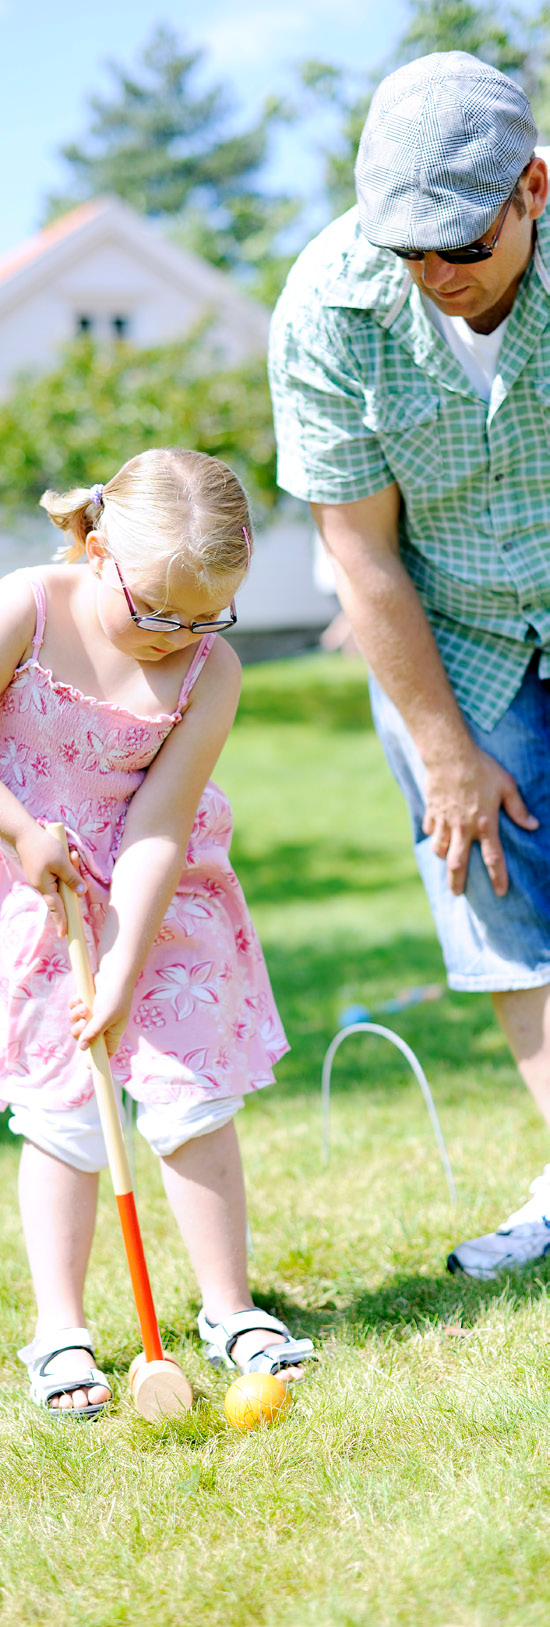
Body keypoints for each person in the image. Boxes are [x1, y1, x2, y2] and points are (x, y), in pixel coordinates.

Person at [269, 50, 550, 1280]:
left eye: (461, 245)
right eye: (408, 250)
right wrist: (444, 750)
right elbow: (359, 555)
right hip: (453, 633)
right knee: (504, 906)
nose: (436, 276)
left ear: (531, 187)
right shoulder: (328, 306)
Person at [1, 446, 314, 1416]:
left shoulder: (207, 671)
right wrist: (18, 829)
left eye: (204, 615)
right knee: (62, 1105)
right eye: (158, 611)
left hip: (163, 896)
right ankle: (61, 1331)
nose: (176, 636)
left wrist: (130, 961)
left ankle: (229, 1309)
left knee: (192, 1095)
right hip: (35, 889)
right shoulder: (28, 607)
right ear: (95, 548)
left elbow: (158, 824)